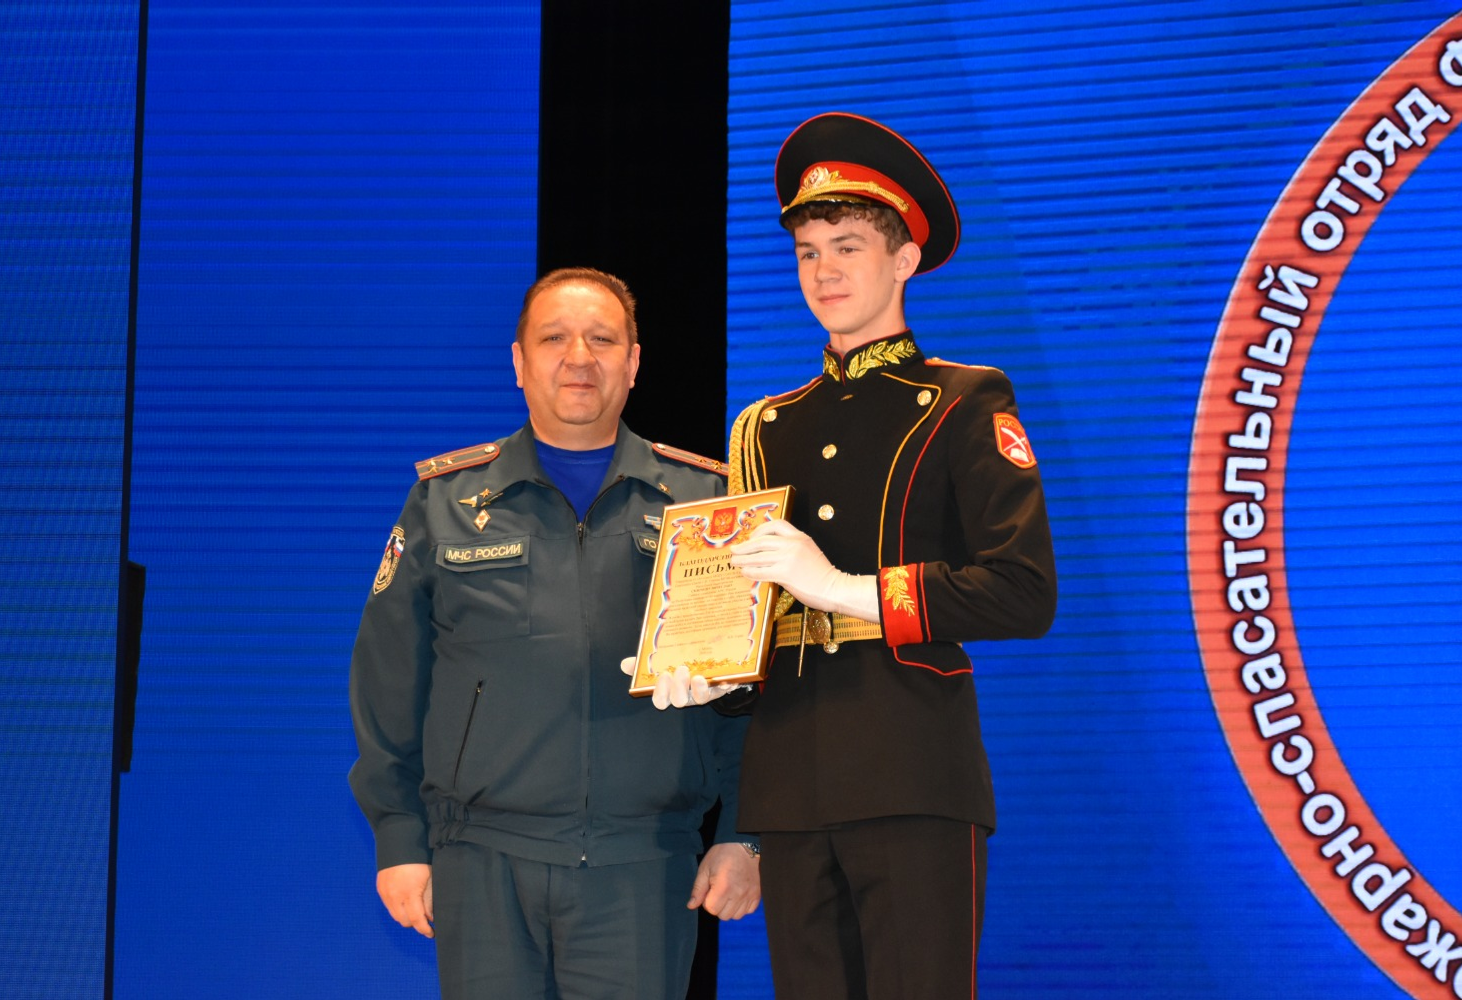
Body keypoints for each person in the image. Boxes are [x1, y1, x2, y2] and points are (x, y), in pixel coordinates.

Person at [652, 113, 1057, 998]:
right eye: (807, 252)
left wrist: (841, 587)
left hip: (912, 767)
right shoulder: (764, 426)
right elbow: (754, 614)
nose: (823, 271)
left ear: (905, 259)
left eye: (847, 247)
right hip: (791, 782)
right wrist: (711, 671)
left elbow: (1024, 591)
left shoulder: (964, 400)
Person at [348, 267, 760, 1000]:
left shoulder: (708, 507)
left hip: (644, 865)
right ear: (518, 361)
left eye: (602, 340)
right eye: (554, 339)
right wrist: (399, 839)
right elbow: (389, 685)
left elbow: (748, 698)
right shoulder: (444, 503)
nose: (579, 358)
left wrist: (742, 834)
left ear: (633, 363)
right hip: (480, 862)